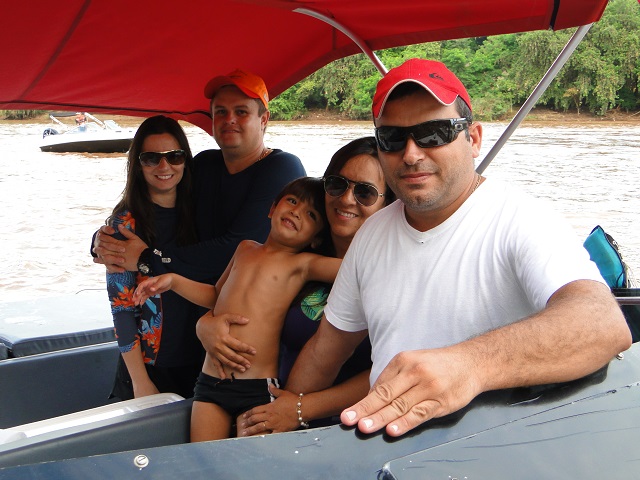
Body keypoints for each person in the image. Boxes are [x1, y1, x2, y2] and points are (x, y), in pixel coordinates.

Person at [282, 58, 632, 438]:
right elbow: (326, 351)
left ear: (474, 139)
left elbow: (602, 324)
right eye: (393, 139)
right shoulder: (372, 235)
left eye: (434, 133)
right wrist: (286, 413)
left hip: (491, 448)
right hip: (384, 446)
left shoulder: (521, 219)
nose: (411, 154)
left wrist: (469, 365)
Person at [196, 137, 395, 435]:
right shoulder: (296, 256)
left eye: (364, 192)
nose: (346, 199)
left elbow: (392, 371)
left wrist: (301, 409)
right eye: (337, 184)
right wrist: (206, 325)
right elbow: (240, 301)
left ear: (388, 203)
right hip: (262, 405)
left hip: (337, 428)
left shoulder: (390, 274)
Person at [133, 177, 341, 442]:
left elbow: (357, 268)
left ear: (316, 239)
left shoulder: (304, 264)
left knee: (248, 460)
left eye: (311, 214)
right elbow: (216, 295)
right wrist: (174, 281)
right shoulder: (245, 248)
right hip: (210, 381)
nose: (296, 212)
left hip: (256, 388)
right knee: (203, 456)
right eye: (292, 201)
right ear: (272, 209)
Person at [92, 68, 306, 289]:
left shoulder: (282, 168)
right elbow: (159, 206)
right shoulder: (205, 164)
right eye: (221, 112)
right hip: (200, 299)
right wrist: (107, 240)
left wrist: (147, 259)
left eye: (241, 112)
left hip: (254, 302)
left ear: (263, 119)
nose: (229, 119)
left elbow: (237, 249)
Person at [106, 115, 203, 400]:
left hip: (203, 360)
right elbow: (121, 309)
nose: (164, 167)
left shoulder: (203, 214)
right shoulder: (125, 224)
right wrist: (140, 381)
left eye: (174, 156)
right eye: (151, 158)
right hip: (149, 368)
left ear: (185, 160)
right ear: (138, 164)